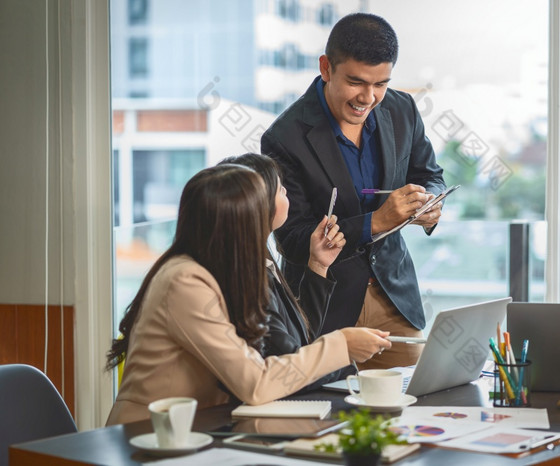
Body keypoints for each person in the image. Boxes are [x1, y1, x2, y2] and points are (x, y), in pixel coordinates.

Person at [105, 165, 390, 425]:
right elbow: (255, 382)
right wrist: (341, 345)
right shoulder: (185, 281)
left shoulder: (216, 269)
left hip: (198, 427)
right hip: (150, 435)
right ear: (242, 223)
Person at [261, 13, 445, 369]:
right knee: (329, 414)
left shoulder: (402, 108)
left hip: (394, 297)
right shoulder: (284, 137)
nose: (369, 97)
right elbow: (292, 239)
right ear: (326, 68)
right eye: (356, 82)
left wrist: (430, 202)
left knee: (414, 407)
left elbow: (429, 173)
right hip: (323, 304)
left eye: (381, 84)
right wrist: (375, 222)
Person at [217, 153, 354, 390]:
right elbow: (288, 363)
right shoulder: (244, 277)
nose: (287, 193)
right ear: (257, 202)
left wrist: (318, 265)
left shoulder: (259, 261)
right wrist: (345, 359)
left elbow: (300, 335)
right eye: (280, 189)